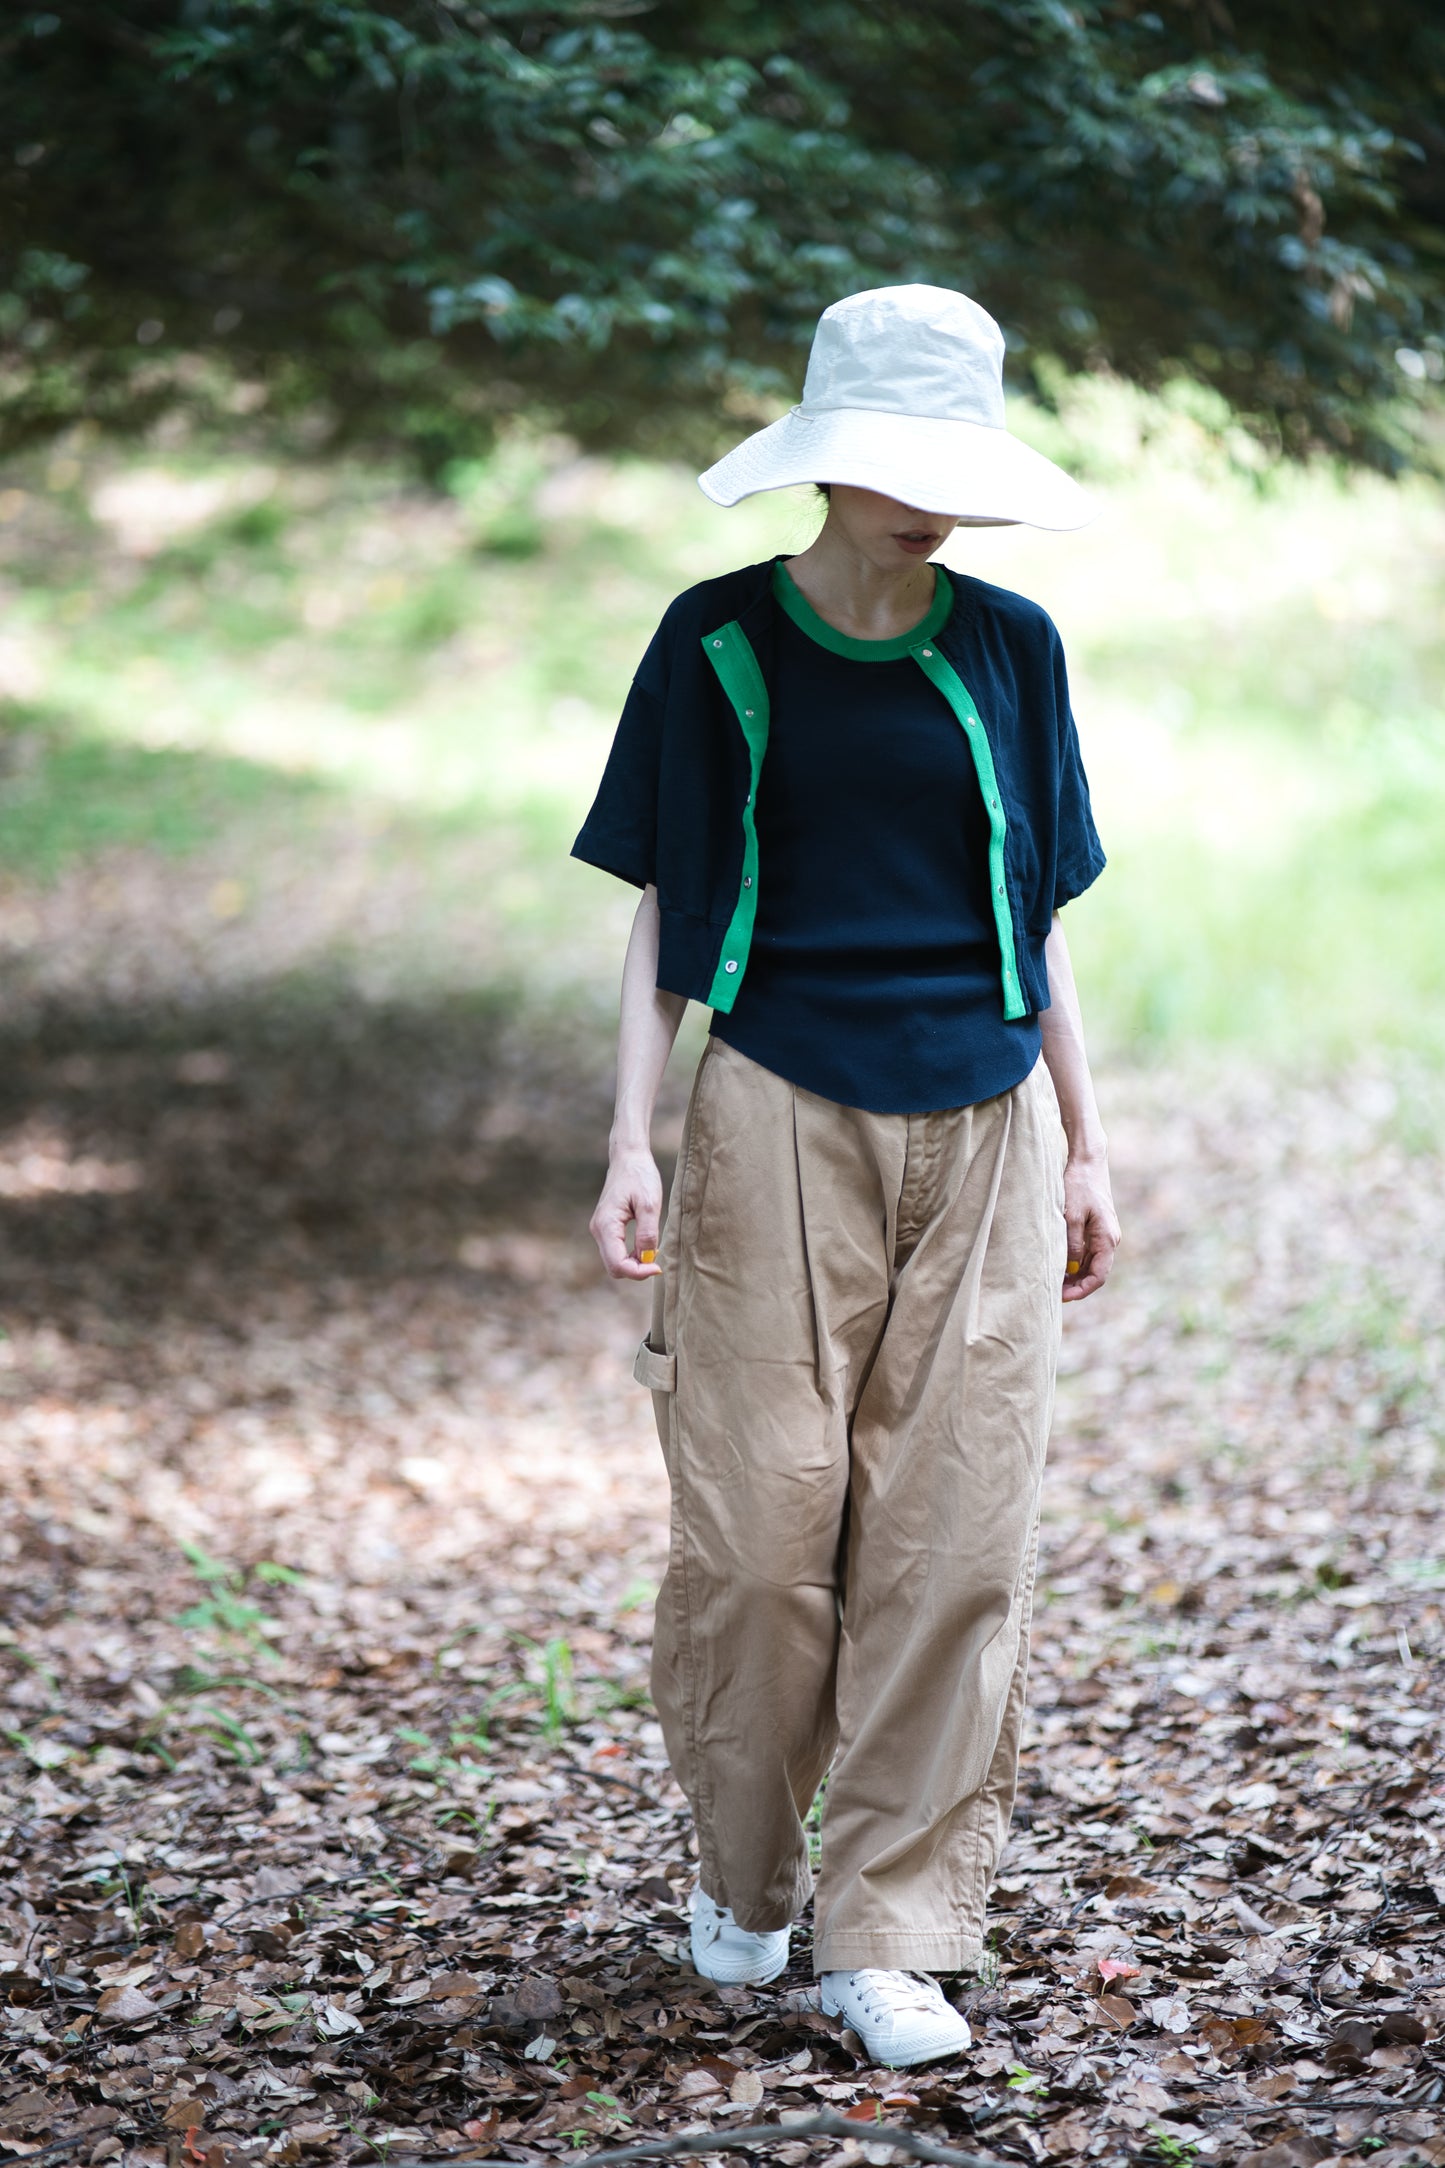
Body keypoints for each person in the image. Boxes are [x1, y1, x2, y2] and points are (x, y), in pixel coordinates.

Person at [572, 285, 1121, 2069]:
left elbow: (1028, 915)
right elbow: (663, 899)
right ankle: (743, 1873)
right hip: (772, 1113)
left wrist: (1088, 1142)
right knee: (754, 1538)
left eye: (947, 467)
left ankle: (890, 1930)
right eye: (893, 465)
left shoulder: (1010, 644)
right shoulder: (717, 641)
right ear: (822, 466)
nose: (926, 500)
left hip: (983, 1123)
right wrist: (625, 1141)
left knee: (953, 1540)